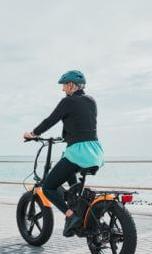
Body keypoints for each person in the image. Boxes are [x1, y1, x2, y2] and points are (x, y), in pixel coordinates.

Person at [23, 70, 104, 237]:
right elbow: (80, 122)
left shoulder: (68, 102)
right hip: (95, 151)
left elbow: (50, 120)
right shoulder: (91, 101)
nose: (63, 90)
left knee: (48, 187)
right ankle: (75, 202)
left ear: (71, 85)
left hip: (78, 151)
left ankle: (71, 215)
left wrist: (33, 133)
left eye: (64, 86)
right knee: (66, 162)